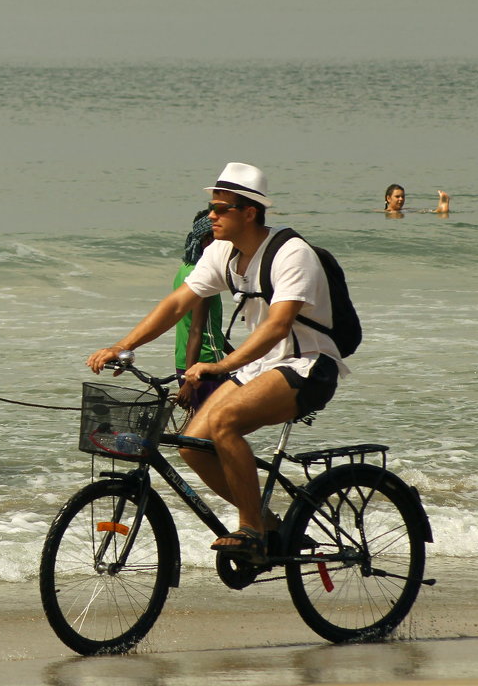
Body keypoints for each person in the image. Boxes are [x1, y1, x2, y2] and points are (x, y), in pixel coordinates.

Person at [87, 162, 347, 562]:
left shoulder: (292, 253)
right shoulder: (222, 252)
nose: (212, 215)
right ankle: (269, 524)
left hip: (308, 365)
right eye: (212, 206)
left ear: (249, 212)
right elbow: (177, 304)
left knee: (224, 424)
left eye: (222, 208)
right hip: (260, 367)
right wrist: (122, 346)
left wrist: (221, 367)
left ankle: (251, 529)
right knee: (193, 444)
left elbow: (278, 327)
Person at [173, 209, 225, 413]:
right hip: (204, 364)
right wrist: (189, 382)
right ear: (207, 239)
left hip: (184, 360)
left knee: (199, 426)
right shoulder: (202, 277)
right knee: (212, 429)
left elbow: (208, 328)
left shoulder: (184, 269)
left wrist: (239, 356)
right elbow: (197, 330)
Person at [383, 184, 451, 216]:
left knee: (429, 211)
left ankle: (439, 210)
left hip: (405, 211)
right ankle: (440, 210)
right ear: (388, 198)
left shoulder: (404, 210)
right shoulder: (384, 212)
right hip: (401, 212)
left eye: (403, 196)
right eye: (397, 197)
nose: (401, 199)